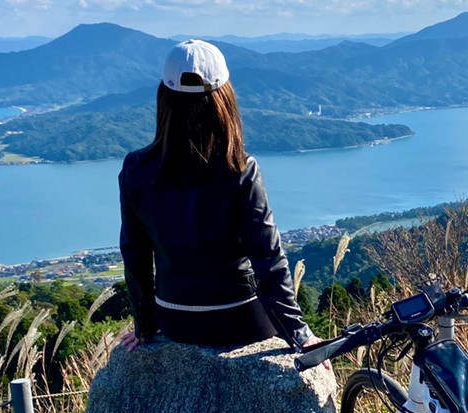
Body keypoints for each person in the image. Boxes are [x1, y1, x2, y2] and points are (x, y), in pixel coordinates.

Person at [118, 39, 318, 352]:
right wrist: (299, 334)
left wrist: (144, 325)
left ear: (164, 98)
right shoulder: (241, 168)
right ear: (224, 98)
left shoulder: (135, 168)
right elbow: (267, 257)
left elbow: (135, 254)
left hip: (174, 319)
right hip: (241, 317)